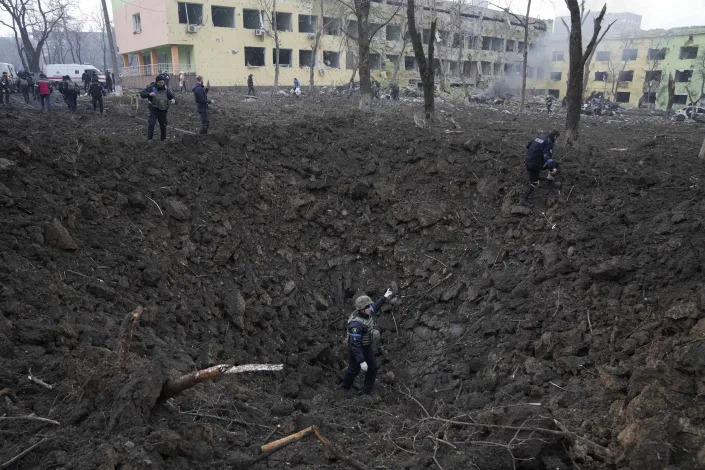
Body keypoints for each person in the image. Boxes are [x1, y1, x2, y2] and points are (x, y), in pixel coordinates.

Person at [341, 288, 394, 395]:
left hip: (366, 346)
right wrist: (361, 361)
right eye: (368, 307)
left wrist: (385, 296)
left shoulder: (367, 312)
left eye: (369, 306)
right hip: (355, 348)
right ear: (361, 309)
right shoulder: (355, 325)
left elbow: (375, 307)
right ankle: (345, 387)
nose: (370, 308)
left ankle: (367, 391)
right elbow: (355, 344)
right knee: (353, 369)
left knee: (373, 367)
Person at [520, 129, 560, 207]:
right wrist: (553, 168)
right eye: (557, 137)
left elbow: (528, 145)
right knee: (554, 164)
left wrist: (535, 153)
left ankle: (549, 181)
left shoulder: (539, 137)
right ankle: (523, 199)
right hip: (535, 164)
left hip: (527, 161)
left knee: (534, 180)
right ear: (555, 136)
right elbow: (547, 156)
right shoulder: (549, 142)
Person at [140, 74, 176, 141]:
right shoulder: (152, 88)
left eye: (162, 82)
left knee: (163, 125)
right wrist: (149, 94)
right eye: (160, 82)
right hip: (154, 110)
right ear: (156, 82)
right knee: (151, 124)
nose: (161, 84)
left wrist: (173, 99)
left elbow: (173, 96)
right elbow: (142, 94)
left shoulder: (166, 89)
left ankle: (163, 139)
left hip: (163, 110)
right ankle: (149, 139)